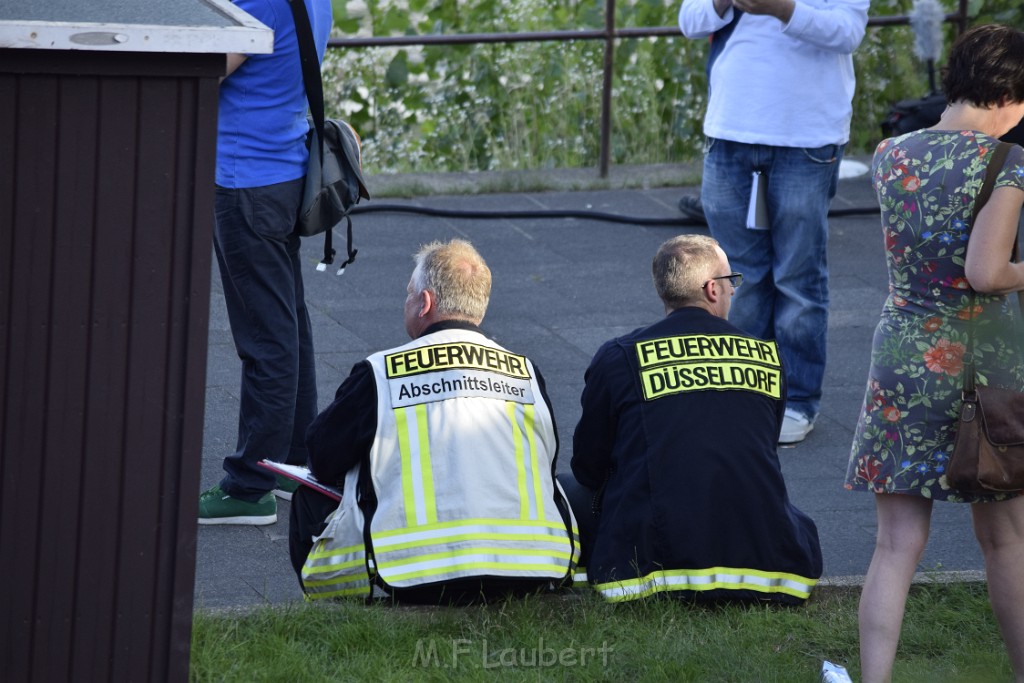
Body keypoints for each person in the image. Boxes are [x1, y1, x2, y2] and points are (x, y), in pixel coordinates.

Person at [845, 24, 1024, 682]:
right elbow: (986, 271)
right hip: (986, 366)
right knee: (1005, 538)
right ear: (1005, 91)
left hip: (902, 353)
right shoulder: (1008, 162)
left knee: (895, 544)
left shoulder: (892, 154)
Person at [288, 239, 579, 604]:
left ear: (424, 303)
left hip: (416, 576)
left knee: (309, 495)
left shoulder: (381, 373)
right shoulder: (526, 372)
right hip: (528, 571)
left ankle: (341, 602)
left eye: (409, 293)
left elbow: (322, 456)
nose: (406, 301)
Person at [562, 234, 822, 603]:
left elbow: (589, 467)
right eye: (731, 282)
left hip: (647, 570)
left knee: (567, 487)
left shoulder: (620, 356)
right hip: (770, 568)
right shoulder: (766, 356)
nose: (733, 292)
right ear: (713, 290)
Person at [678, 0, 869, 444]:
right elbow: (690, 21)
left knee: (798, 278)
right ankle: (743, 393)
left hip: (806, 136)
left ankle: (798, 399)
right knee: (735, 276)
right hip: (729, 131)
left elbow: (848, 32)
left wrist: (783, 10)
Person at [196, 0, 333, 526]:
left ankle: (249, 485)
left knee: (265, 338)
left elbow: (206, 71)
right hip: (284, 171)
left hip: (244, 179)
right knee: (288, 326)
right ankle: (291, 460)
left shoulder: (256, 1)